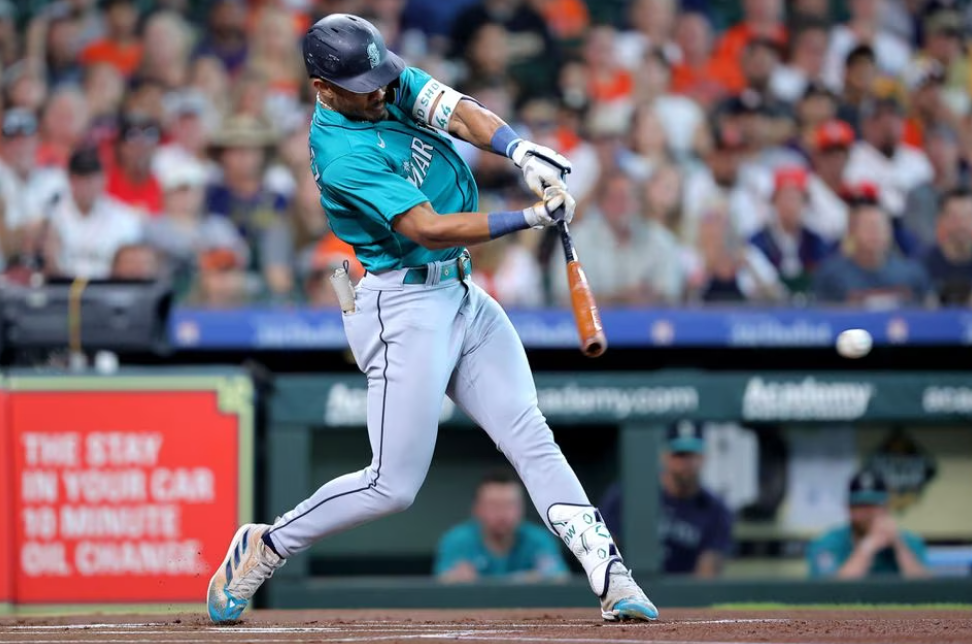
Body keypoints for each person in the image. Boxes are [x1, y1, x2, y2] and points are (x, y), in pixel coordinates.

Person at [206, 14, 657, 624]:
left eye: (380, 75)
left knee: (530, 434)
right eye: (364, 85)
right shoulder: (339, 152)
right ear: (323, 89)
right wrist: (525, 218)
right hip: (403, 307)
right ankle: (266, 544)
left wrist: (517, 149)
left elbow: (458, 110)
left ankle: (613, 578)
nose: (382, 90)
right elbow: (426, 228)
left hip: (462, 293)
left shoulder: (383, 81)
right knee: (392, 486)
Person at [600, 421, 734, 578]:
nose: (686, 463)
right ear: (664, 456)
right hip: (628, 593)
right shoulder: (626, 496)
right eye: (680, 455)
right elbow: (604, 560)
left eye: (692, 455)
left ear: (703, 457)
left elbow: (706, 577)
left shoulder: (716, 510)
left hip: (683, 598)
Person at [434, 470, 570, 583]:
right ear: (477, 509)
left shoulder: (538, 538)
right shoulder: (457, 540)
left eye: (510, 505)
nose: (503, 514)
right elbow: (441, 581)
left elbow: (560, 578)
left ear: (521, 508)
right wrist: (456, 577)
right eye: (493, 505)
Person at [44, 147, 143, 279]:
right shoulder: (52, 216)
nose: (86, 185)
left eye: (91, 178)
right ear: (70, 180)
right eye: (80, 178)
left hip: (108, 290)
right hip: (63, 289)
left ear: (103, 178)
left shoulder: (123, 218)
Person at [807, 470, 928, 578]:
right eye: (860, 506)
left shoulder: (910, 542)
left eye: (874, 505)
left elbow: (926, 592)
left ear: (886, 508)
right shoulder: (827, 543)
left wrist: (899, 546)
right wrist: (869, 545)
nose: (868, 513)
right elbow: (831, 593)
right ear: (848, 509)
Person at [812, 198, 931, 306]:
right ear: (851, 232)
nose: (875, 233)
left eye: (880, 226)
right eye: (868, 227)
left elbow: (931, 313)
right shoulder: (831, 276)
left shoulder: (912, 274)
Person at [750, 167, 834, 295]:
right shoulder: (758, 242)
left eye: (795, 199)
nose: (790, 206)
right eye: (785, 198)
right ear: (774, 202)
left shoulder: (815, 242)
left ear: (804, 203)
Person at [922, 188, 972, 306]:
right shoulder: (923, 265)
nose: (962, 224)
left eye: (968, 217)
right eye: (955, 218)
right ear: (941, 220)